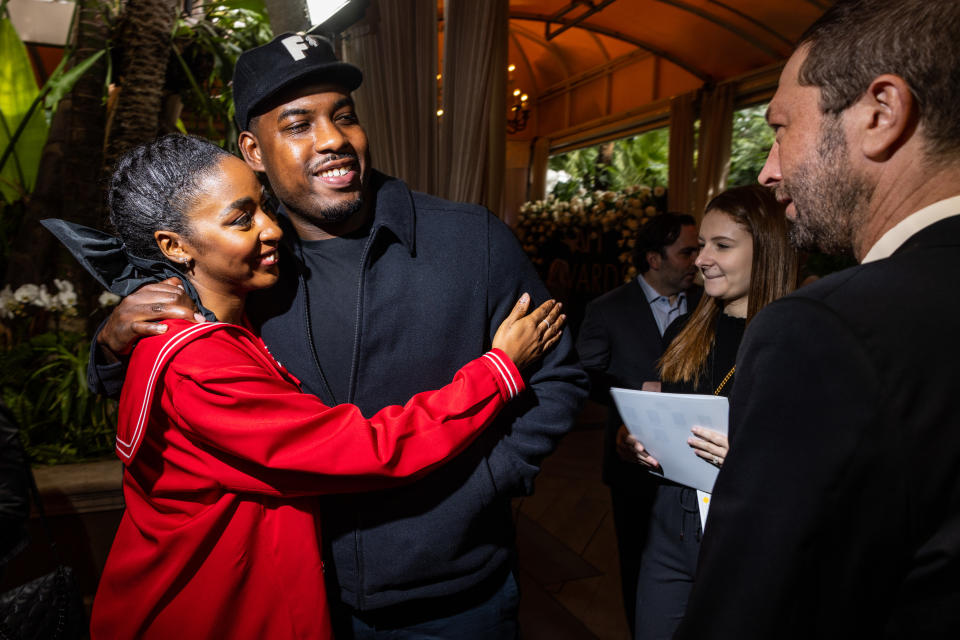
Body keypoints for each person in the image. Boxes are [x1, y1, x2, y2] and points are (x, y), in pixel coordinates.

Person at [88, 34, 588, 638]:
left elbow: (559, 373)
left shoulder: (470, 239)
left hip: (450, 597)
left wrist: (486, 484)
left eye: (343, 116)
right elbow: (169, 394)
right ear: (253, 149)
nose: (331, 139)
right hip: (297, 596)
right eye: (298, 124)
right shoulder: (242, 264)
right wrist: (113, 344)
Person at [675, 1, 960, 637]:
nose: (768, 170)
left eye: (780, 128)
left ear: (880, 114)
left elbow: (752, 611)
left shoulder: (825, 328)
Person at [614, 186, 796, 639]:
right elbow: (664, 421)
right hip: (670, 523)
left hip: (747, 532)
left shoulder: (798, 338)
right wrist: (631, 439)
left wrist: (749, 458)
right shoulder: (684, 329)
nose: (700, 259)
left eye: (722, 246)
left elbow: (826, 463)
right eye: (699, 247)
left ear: (768, 249)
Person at [576, 212, 701, 634]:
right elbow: (584, 377)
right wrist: (638, 397)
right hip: (632, 459)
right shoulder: (607, 309)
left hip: (696, 463)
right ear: (654, 258)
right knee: (638, 562)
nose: (697, 260)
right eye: (687, 251)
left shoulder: (707, 306)